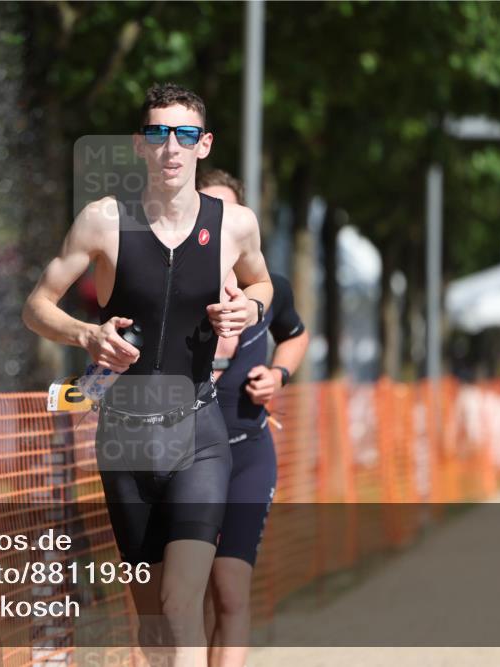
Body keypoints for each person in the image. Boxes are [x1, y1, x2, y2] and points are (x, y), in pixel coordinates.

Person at [22, 83, 273, 665]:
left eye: (185, 135)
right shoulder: (104, 222)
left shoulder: (234, 224)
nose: (171, 148)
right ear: (140, 145)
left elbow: (261, 281)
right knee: (153, 623)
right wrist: (87, 334)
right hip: (126, 439)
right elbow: (36, 307)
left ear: (203, 144)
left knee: (179, 602)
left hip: (198, 434)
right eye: (159, 134)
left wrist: (251, 307)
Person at [197, 169, 310, 667]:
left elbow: (296, 333)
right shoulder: (175, 289)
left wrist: (279, 374)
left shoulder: (267, 288)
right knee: (184, 592)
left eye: (228, 214)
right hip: (188, 458)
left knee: (231, 588)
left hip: (247, 453)